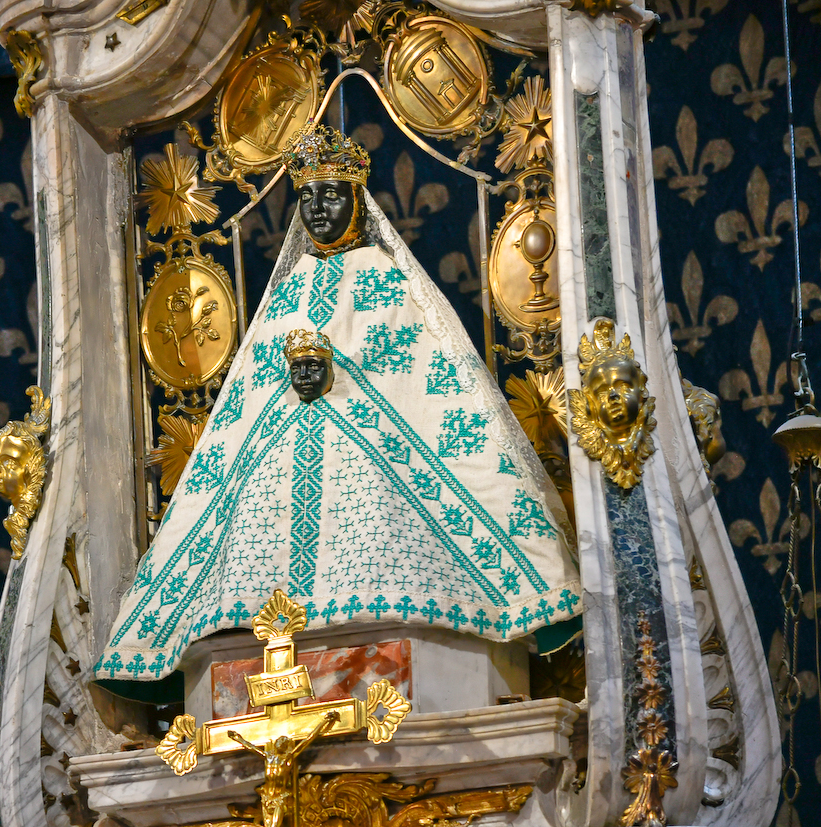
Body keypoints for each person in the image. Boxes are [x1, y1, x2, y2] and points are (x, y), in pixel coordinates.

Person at [96, 124, 581, 686]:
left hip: (378, 482)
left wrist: (347, 382)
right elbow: (249, 402)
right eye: (307, 197)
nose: (318, 209)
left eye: (331, 195)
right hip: (280, 485)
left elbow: (420, 384)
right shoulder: (288, 290)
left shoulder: (385, 278)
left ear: (356, 201)